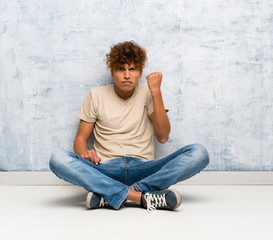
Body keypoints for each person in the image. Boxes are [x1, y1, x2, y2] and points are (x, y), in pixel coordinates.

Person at [49, 41, 209, 212]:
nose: (126, 75)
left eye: (132, 69)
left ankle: (111, 194)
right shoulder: (96, 95)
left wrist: (155, 91)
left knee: (199, 153)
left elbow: (163, 136)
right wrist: (85, 153)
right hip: (104, 168)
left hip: (144, 168)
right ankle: (140, 197)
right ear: (112, 72)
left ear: (140, 72)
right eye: (120, 69)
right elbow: (80, 139)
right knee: (58, 158)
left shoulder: (149, 93)